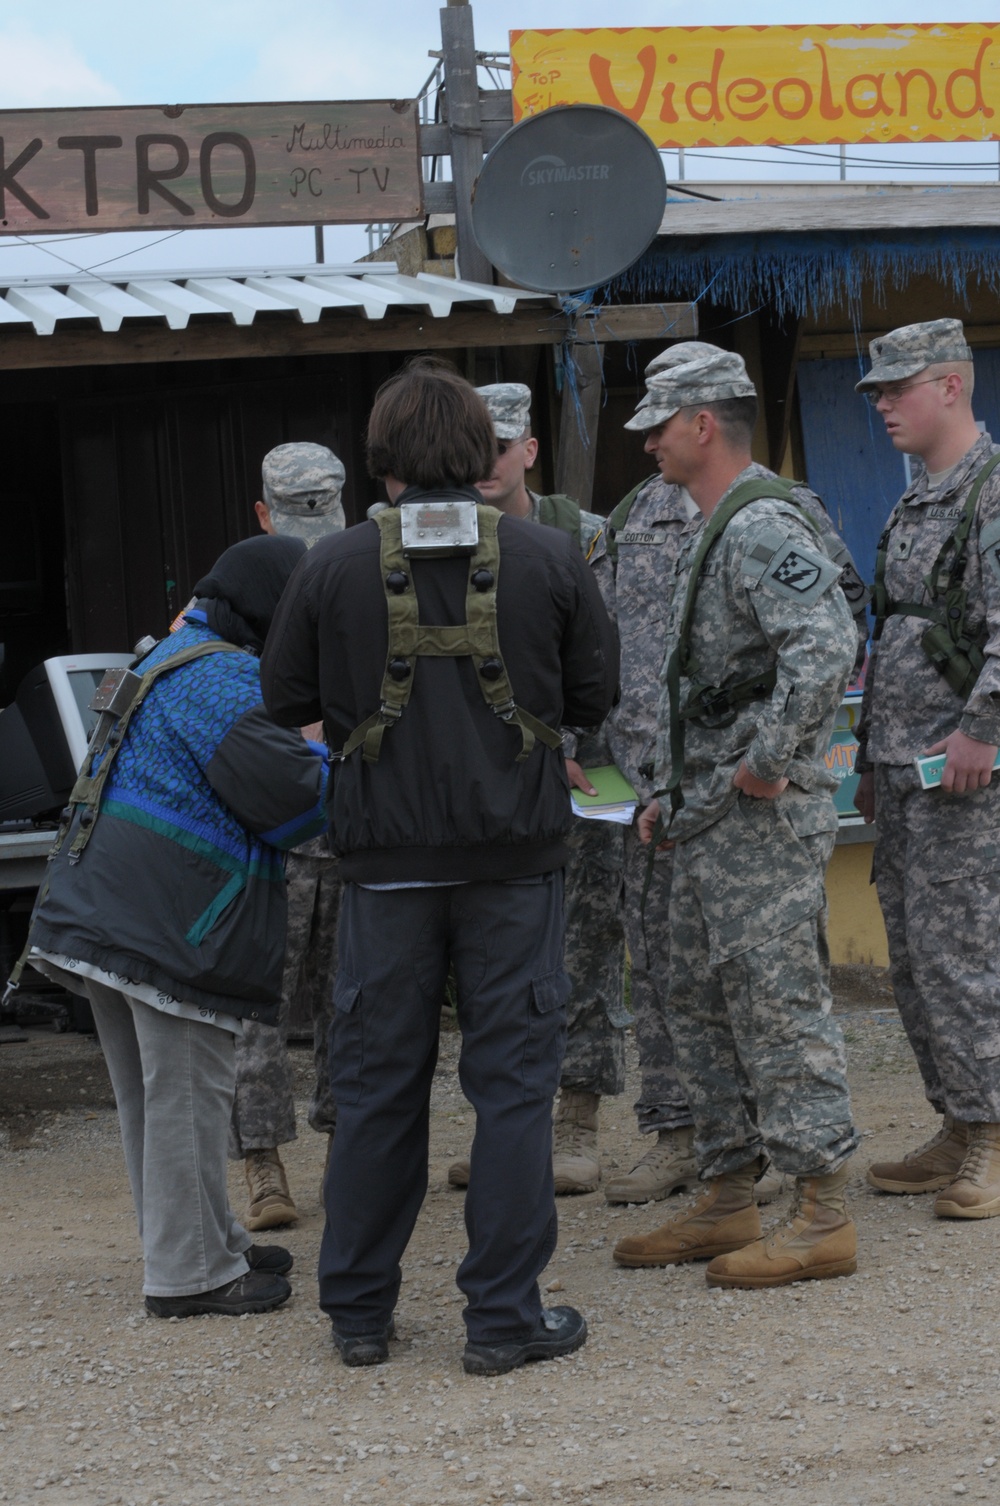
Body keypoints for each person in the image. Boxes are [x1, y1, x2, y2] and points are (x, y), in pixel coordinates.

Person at [260, 358, 618, 1373]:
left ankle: (360, 1316)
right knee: (510, 1090)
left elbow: (283, 700)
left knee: (377, 1088)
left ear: (381, 460)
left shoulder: (327, 565)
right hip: (517, 864)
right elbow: (597, 692)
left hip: (383, 872)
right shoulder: (551, 556)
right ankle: (503, 1318)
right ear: (482, 451)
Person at [13, 537, 329, 1317]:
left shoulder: (172, 657)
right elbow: (296, 805)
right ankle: (193, 1277)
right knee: (186, 1094)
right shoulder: (228, 681)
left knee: (152, 1100)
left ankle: (202, 1244)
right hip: (168, 923)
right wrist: (328, 746)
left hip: (100, 911)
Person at [610, 342, 860, 1288]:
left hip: (756, 821)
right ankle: (727, 1194)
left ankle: (823, 1212)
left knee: (776, 1006)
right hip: (704, 819)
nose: (648, 448)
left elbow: (826, 643)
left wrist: (767, 764)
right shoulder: (709, 522)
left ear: (701, 424)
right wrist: (673, 795)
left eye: (658, 428)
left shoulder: (760, 524)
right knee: (698, 1005)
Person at [442, 381, 627, 1196]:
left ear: (530, 451)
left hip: (579, 774)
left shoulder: (589, 538)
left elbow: (614, 659)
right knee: (490, 960)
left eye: (501, 444)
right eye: (472, 447)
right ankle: (509, 1131)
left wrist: (580, 749)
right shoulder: (442, 539)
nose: (486, 463)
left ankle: (577, 1122)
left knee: (581, 948)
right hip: (482, 788)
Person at [854, 319, 1000, 1219]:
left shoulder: (990, 491)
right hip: (906, 771)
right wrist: (872, 756)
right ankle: (957, 1117)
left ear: (950, 384)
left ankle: (991, 1134)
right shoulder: (919, 499)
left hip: (966, 773)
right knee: (914, 958)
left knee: (967, 955)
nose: (879, 403)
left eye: (895, 387)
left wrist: (984, 728)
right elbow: (895, 634)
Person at [231, 441, 346, 1231]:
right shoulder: (236, 592)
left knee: (354, 998)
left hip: (345, 821)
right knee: (258, 1008)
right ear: (265, 516)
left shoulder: (364, 576)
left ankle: (350, 1154)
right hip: (272, 828)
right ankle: (264, 1167)